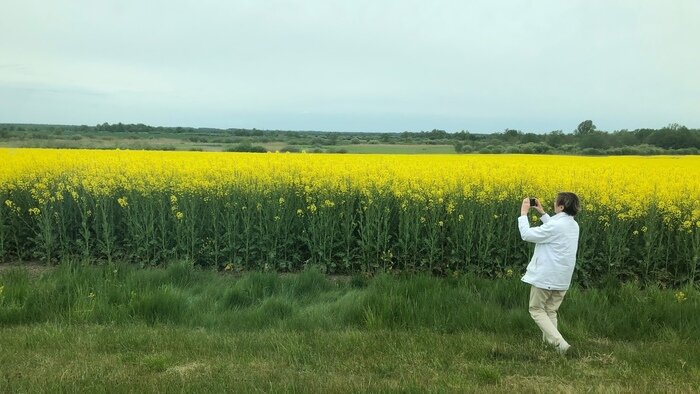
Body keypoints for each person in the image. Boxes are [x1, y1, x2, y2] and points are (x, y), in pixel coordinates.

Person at [518, 192, 580, 355]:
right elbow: (554, 228)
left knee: (536, 309)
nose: (554, 204)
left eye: (556, 203)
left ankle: (561, 345)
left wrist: (524, 214)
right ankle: (551, 346)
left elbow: (527, 235)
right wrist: (542, 213)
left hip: (546, 277)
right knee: (550, 311)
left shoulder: (556, 226)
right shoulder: (574, 225)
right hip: (562, 279)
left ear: (561, 206)